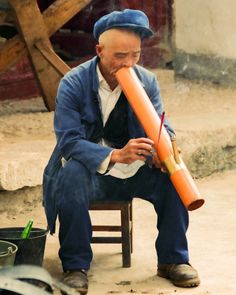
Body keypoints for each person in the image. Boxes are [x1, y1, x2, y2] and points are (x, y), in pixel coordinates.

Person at [43, 9, 200, 295]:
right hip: (94, 171)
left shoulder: (147, 81)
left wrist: (163, 151)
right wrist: (116, 155)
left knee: (174, 178)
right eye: (120, 56)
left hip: (136, 169)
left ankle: (173, 260)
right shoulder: (73, 83)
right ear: (99, 50)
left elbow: (164, 125)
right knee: (71, 176)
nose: (129, 63)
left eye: (135, 55)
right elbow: (68, 142)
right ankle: (76, 266)